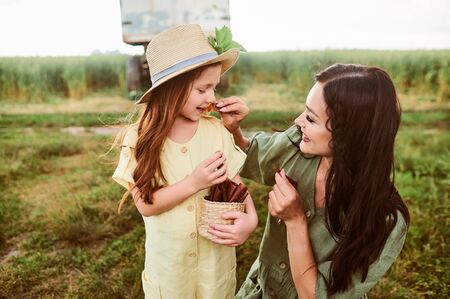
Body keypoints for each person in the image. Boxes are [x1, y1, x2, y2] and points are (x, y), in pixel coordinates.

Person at [208, 64, 410, 298]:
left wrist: (295, 220)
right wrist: (234, 132)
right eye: (304, 111)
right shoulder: (299, 145)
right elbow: (252, 156)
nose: (297, 121)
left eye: (311, 119)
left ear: (348, 134)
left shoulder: (385, 219)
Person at [112, 24, 258, 298]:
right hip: (170, 274)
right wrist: (194, 182)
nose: (212, 97)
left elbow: (237, 188)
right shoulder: (139, 138)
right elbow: (145, 205)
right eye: (203, 89)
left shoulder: (215, 131)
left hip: (213, 272)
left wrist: (250, 222)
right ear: (172, 89)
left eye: (214, 88)